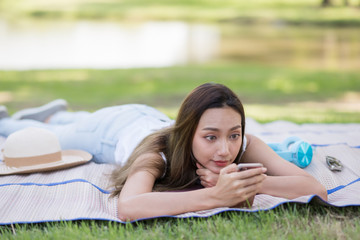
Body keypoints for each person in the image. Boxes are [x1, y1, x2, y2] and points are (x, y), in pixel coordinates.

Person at [0, 83, 328, 221]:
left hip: (145, 114)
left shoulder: (244, 144)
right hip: (110, 130)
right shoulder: (158, 151)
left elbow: (315, 188)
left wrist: (246, 182)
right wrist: (215, 197)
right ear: (189, 133)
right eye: (210, 137)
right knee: (45, 137)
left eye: (233, 134)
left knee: (65, 122)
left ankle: (57, 113)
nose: (225, 150)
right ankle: (24, 119)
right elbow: (129, 207)